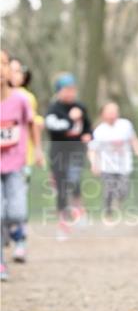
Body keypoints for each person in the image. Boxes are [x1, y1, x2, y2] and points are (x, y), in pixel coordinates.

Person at [1, 50, 44, 277]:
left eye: (4, 64)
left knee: (15, 212)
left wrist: (37, 150)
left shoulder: (22, 99)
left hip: (18, 161)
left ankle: (17, 237)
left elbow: (32, 124)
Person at [44, 73, 92, 239]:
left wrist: (88, 135)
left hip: (77, 150)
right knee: (62, 189)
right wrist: (71, 119)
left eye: (72, 90)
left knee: (75, 179)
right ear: (58, 91)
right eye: (66, 90)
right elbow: (54, 128)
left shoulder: (80, 106)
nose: (70, 93)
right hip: (58, 153)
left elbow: (87, 127)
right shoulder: (53, 109)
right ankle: (63, 224)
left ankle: (80, 211)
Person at [88, 102, 138, 218]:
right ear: (103, 114)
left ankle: (117, 203)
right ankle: (108, 211)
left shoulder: (125, 125)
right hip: (107, 166)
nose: (112, 114)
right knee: (109, 189)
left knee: (123, 189)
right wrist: (93, 163)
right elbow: (92, 150)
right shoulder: (99, 131)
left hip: (124, 165)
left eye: (114, 111)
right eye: (109, 112)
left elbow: (133, 140)